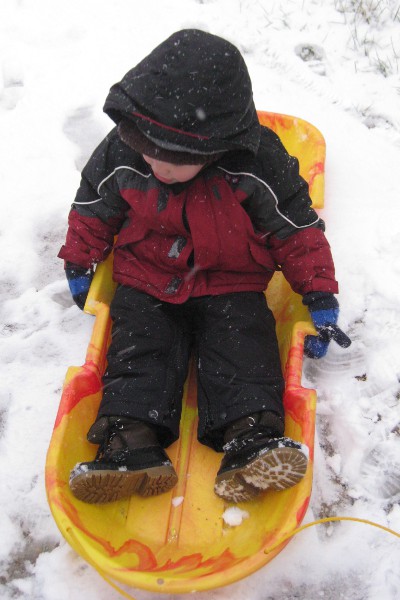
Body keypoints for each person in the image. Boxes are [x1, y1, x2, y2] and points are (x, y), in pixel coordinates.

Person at [59, 29, 350, 505]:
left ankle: (253, 442)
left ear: (214, 148)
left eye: (174, 161)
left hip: (230, 281)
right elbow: (93, 203)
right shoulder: (125, 149)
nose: (158, 166)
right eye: (149, 152)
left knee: (243, 350)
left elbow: (295, 227)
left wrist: (318, 293)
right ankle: (130, 445)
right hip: (146, 277)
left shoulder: (256, 161)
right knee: (138, 352)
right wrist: (79, 258)